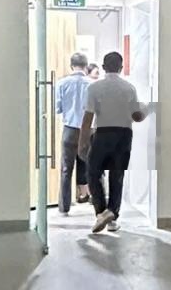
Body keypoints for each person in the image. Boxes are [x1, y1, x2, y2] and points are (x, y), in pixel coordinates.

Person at [76, 49, 147, 232]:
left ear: (103, 67)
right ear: (121, 68)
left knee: (93, 173)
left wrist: (82, 142)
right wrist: (144, 111)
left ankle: (101, 212)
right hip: (124, 135)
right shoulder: (129, 88)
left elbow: (88, 118)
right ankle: (112, 215)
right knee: (117, 175)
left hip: (102, 133)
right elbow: (137, 116)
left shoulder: (94, 88)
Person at [54, 52, 92, 215]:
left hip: (69, 130)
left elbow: (58, 108)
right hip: (88, 130)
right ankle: (99, 205)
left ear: (71, 66)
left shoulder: (62, 84)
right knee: (94, 167)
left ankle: (64, 207)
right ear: (86, 66)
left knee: (66, 169)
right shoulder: (92, 85)